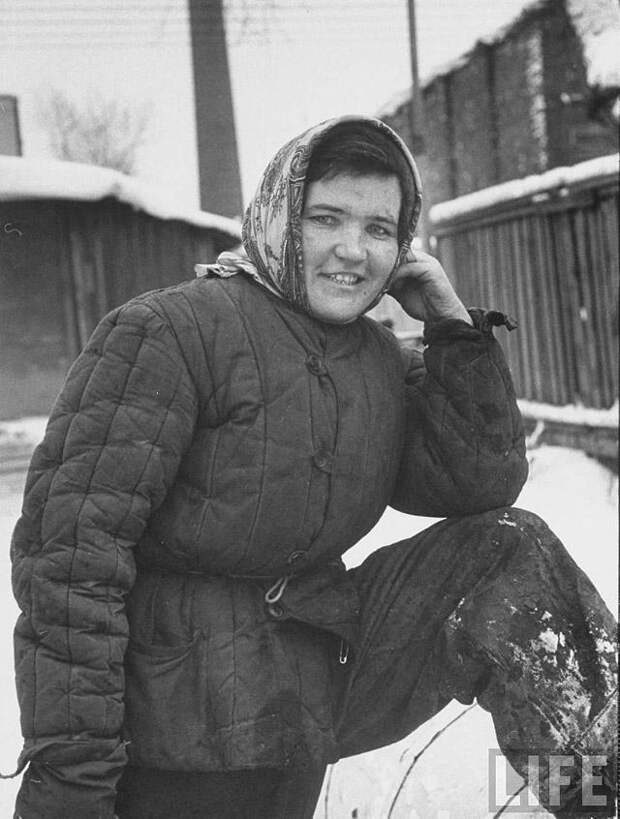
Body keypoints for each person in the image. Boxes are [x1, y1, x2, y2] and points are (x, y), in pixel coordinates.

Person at [8, 115, 616, 818]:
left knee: (509, 549)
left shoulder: (377, 358)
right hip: (176, 725)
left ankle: (601, 793)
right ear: (277, 217)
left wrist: (452, 327)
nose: (352, 250)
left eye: (380, 229)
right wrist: (73, 779)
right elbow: (70, 557)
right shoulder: (169, 332)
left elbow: (478, 479)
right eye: (326, 218)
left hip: (309, 685)